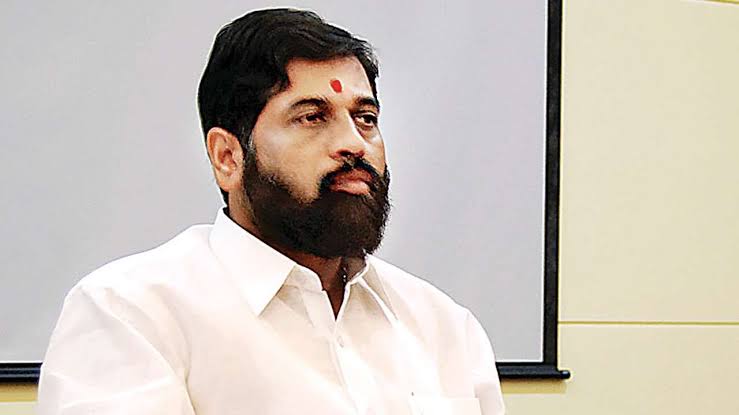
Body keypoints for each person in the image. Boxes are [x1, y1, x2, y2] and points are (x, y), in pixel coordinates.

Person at [37, 8, 505, 415]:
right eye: (312, 117)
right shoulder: (132, 313)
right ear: (227, 157)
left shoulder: (443, 327)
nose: (353, 143)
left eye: (365, 118)